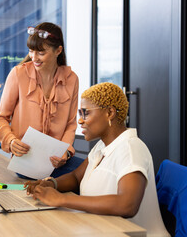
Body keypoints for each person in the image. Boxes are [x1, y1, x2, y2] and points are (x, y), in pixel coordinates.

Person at [25, 82, 170, 237]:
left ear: (110, 113)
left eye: (85, 113)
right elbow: (76, 177)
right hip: (101, 228)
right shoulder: (102, 146)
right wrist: (51, 184)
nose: (80, 120)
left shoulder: (130, 149)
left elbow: (127, 205)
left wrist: (61, 199)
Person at [0, 22, 81, 178]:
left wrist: (66, 152)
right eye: (31, 51)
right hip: (25, 161)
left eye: (41, 53)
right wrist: (11, 141)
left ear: (58, 51)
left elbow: (70, 124)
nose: (34, 57)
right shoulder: (18, 74)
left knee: (92, 171)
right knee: (84, 177)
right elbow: (1, 118)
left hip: (57, 160)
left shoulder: (72, 79)